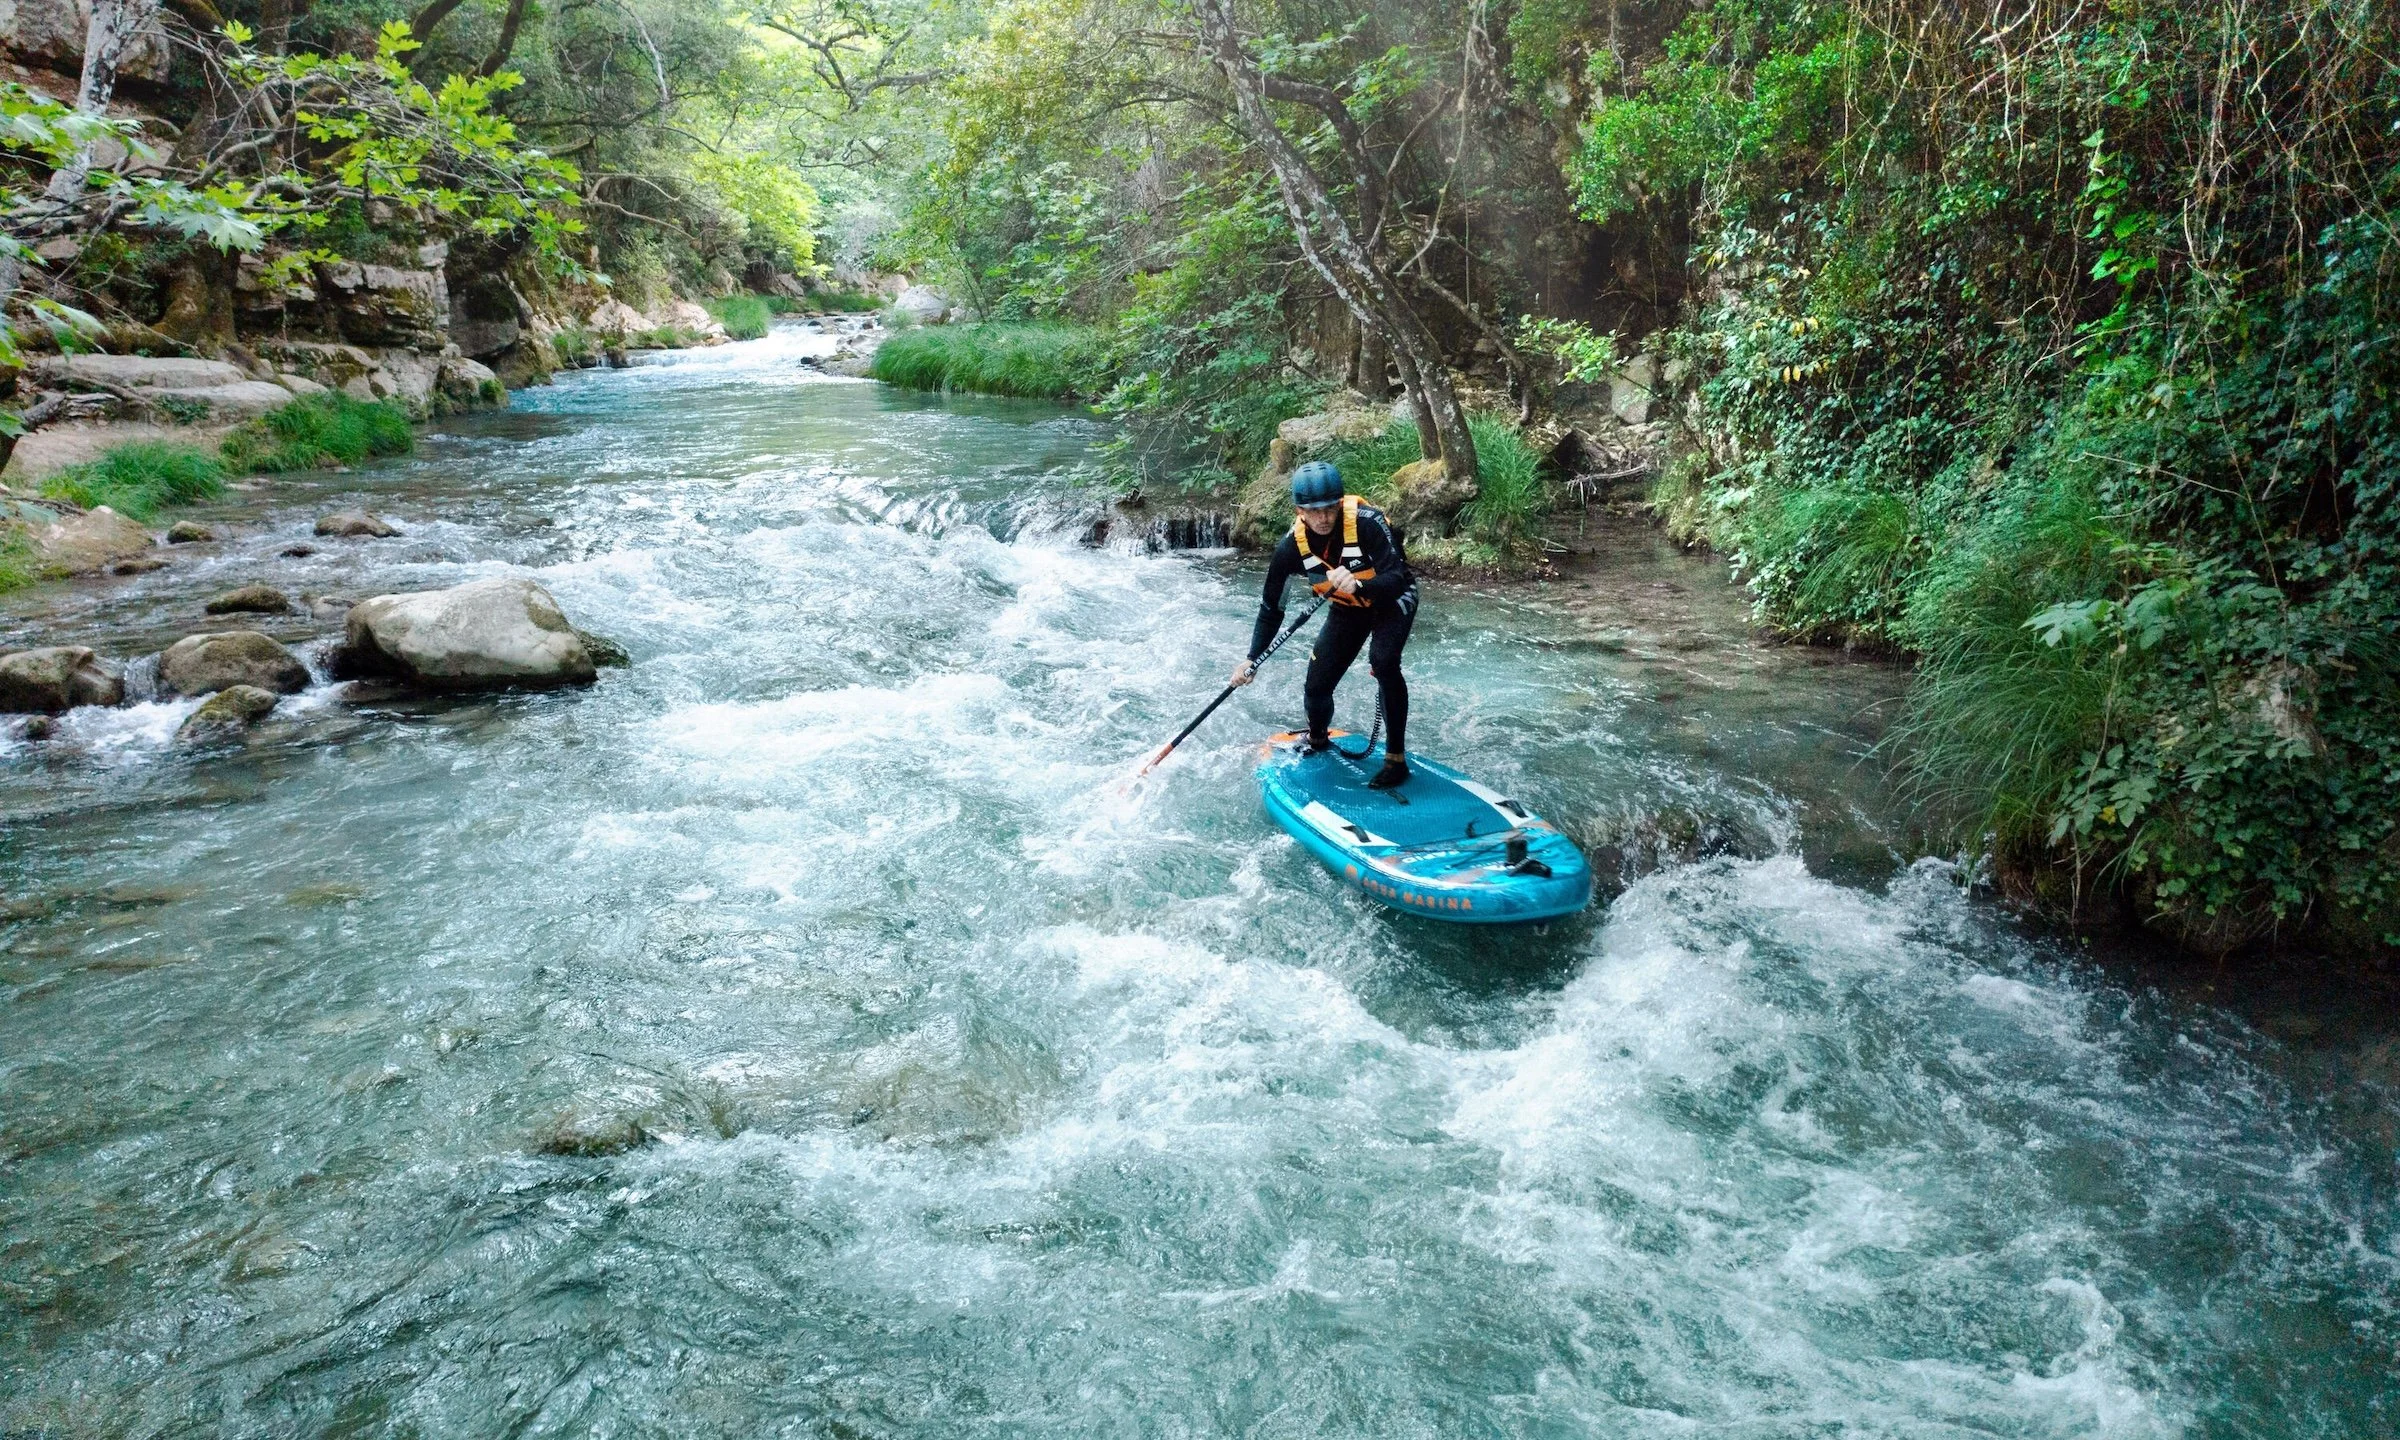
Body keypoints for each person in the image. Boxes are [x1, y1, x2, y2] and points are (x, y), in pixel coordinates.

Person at [1230, 459, 1419, 789]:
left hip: (1391, 598)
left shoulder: (1368, 524)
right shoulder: (1290, 548)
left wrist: (1360, 584)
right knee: (1317, 684)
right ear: (1299, 511)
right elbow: (1272, 608)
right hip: (1349, 608)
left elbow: (1397, 577)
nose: (1324, 518)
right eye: (1314, 511)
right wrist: (1252, 658)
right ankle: (1317, 739)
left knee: (1384, 662)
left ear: (1339, 504)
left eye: (1330, 509)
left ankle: (1396, 761)